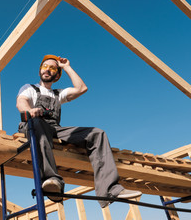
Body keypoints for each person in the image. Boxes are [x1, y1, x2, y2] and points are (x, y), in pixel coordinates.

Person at [16, 54, 142, 207]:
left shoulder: (58, 94)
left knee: (97, 134)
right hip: (33, 124)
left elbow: (81, 88)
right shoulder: (30, 88)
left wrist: (67, 67)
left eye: (52, 68)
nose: (47, 70)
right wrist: (29, 111)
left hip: (54, 129)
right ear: (39, 70)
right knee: (37, 123)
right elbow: (21, 102)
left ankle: (110, 189)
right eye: (45, 66)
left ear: (57, 75)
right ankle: (51, 180)